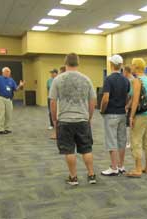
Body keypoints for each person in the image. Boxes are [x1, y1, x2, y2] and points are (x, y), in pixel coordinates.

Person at [49, 53, 97, 186]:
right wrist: (89, 116)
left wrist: (54, 119)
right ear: (78, 63)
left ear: (65, 63)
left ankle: (73, 177)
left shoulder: (57, 80)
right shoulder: (86, 79)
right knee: (87, 148)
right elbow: (93, 101)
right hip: (82, 119)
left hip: (65, 120)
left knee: (69, 150)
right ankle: (91, 175)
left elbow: (52, 102)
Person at [100, 55, 130, 176]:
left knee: (111, 140)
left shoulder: (108, 79)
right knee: (122, 140)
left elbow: (105, 98)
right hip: (122, 114)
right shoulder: (126, 80)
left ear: (112, 65)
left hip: (111, 113)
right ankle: (121, 166)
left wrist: (102, 109)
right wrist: (125, 106)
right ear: (121, 65)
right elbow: (128, 97)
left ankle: (113, 167)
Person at [127, 58, 147, 178]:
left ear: (136, 67)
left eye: (132, 65)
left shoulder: (136, 80)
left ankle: (138, 169)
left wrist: (131, 116)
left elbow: (135, 100)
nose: (131, 67)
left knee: (136, 141)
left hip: (141, 115)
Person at [0, 68, 25, 135]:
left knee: (9, 114)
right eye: (6, 72)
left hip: (9, 99)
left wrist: (20, 85)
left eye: (9, 72)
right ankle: (0, 129)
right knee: (1, 114)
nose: (8, 73)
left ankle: (7, 128)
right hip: (1, 98)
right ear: (3, 72)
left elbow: (15, 89)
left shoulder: (11, 80)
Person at [123, 66, 135, 148]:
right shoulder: (132, 79)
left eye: (123, 71)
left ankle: (129, 142)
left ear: (126, 72)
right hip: (130, 105)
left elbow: (131, 96)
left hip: (131, 106)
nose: (123, 73)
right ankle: (129, 142)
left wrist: (127, 106)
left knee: (128, 124)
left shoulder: (130, 80)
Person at [47, 69, 58, 134]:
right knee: (50, 111)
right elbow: (48, 89)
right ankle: (52, 124)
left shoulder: (59, 79)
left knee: (57, 111)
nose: (51, 74)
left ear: (56, 73)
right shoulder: (49, 80)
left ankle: (58, 124)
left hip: (57, 98)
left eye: (52, 73)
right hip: (50, 98)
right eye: (51, 73)